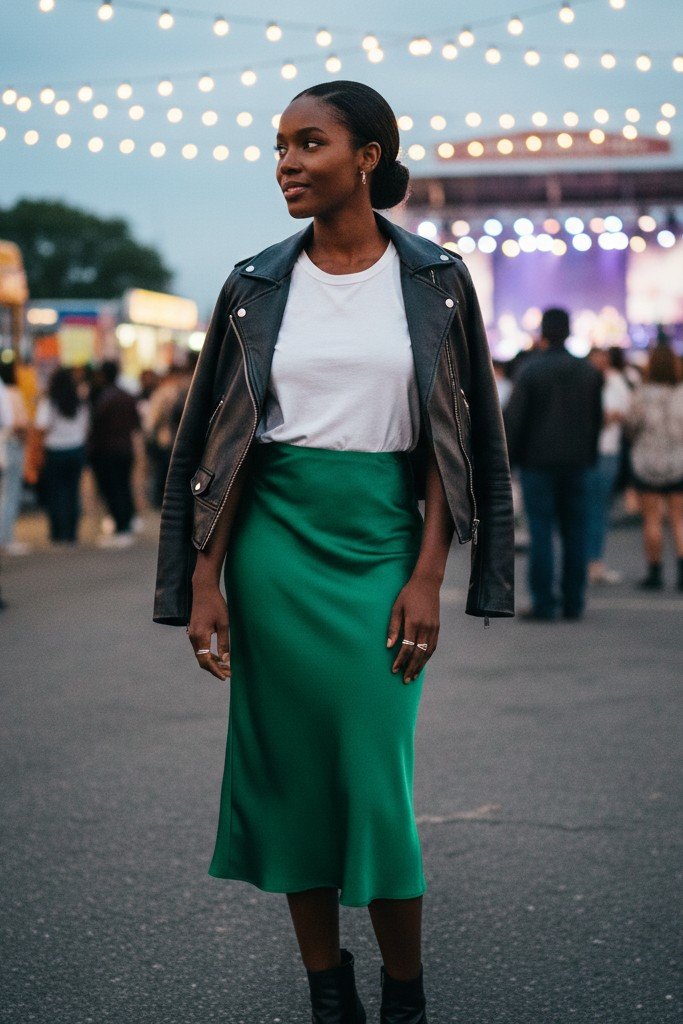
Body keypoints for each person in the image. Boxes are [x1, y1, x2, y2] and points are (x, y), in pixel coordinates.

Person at [153, 80, 514, 1023]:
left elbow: (458, 433)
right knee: (286, 771)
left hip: (386, 538)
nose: (286, 164)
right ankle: (326, 989)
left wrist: (430, 571)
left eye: (308, 143)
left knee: (370, 770)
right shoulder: (253, 282)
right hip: (272, 544)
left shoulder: (436, 277)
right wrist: (201, 578)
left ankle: (405, 991)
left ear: (368, 155)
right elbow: (216, 443)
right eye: (278, 147)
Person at [504, 308, 603, 620]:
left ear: (542, 333)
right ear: (570, 331)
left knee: (541, 532)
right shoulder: (588, 371)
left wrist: (511, 460)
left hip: (537, 464)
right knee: (576, 532)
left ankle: (544, 603)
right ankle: (574, 602)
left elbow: (514, 421)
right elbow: (596, 420)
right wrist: (589, 455)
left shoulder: (530, 371)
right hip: (578, 462)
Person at [626, 343, 683, 590]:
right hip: (678, 461)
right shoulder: (681, 393)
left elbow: (630, 426)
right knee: (679, 519)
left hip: (647, 462)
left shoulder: (642, 394)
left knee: (652, 518)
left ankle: (655, 572)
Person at [585, 347, 632, 584]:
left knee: (597, 510)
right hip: (589, 453)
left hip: (605, 452)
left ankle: (593, 562)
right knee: (589, 511)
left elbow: (622, 413)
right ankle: (590, 562)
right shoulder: (587, 379)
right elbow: (610, 416)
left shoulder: (615, 381)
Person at [88, 359, 141, 547]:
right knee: (123, 487)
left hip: (106, 451)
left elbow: (95, 428)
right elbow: (136, 424)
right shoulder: (126, 396)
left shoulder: (103, 398)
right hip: (125, 448)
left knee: (112, 490)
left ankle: (121, 527)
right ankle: (126, 523)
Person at [34, 367, 89, 546]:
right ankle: (72, 533)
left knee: (56, 493)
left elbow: (41, 428)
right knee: (73, 492)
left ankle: (58, 533)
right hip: (76, 449)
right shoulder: (79, 402)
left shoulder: (49, 403)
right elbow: (86, 427)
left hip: (54, 451)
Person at [0, 360, 30, 554]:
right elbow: (17, 422)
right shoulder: (11, 393)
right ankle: (5, 537)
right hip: (9, 445)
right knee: (10, 492)